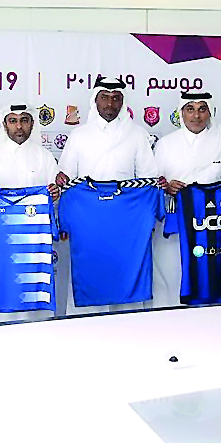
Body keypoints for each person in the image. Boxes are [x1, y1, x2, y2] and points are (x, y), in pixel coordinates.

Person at [56, 75, 161, 315]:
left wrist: (146, 219)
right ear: (95, 100)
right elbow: (66, 180)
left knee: (126, 273)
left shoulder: (137, 135)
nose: (110, 104)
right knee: (90, 272)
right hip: (88, 222)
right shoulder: (79, 136)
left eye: (116, 98)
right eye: (105, 97)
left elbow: (149, 180)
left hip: (126, 222)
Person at [152, 91, 221, 307]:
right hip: (177, 227)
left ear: (210, 113)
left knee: (211, 279)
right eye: (190, 109)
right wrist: (166, 187)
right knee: (173, 276)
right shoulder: (166, 145)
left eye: (202, 109)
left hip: (213, 230)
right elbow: (153, 183)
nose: (196, 116)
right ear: (181, 113)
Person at [0, 104, 60, 324]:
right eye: (13, 121)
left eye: (24, 120)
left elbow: (53, 199)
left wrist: (54, 194)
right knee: (1, 285)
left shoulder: (45, 157)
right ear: (4, 125)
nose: (19, 126)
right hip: (1, 242)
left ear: (33, 123)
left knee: (34, 293)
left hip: (33, 242)